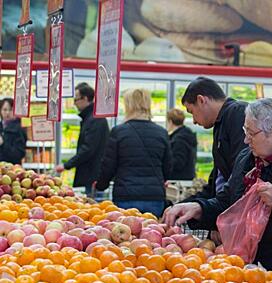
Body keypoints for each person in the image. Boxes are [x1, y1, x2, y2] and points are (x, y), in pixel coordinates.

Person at [164, 98, 272, 277]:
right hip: (243, 272)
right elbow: (228, 202)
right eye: (245, 131)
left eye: (251, 133)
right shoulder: (247, 159)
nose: (246, 140)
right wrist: (199, 208)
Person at [96, 88, 172, 218]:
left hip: (126, 195)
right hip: (154, 197)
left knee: (126, 235)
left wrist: (101, 185)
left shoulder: (118, 131)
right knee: (153, 234)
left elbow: (109, 165)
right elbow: (168, 167)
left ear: (128, 105)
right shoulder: (161, 132)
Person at [180, 76, 247, 200]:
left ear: (201, 100)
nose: (194, 121)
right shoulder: (220, 123)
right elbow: (216, 180)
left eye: (191, 112)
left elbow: (241, 171)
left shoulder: (236, 113)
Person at [55, 83, 109, 199]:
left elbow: (88, 149)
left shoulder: (95, 119)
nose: (74, 103)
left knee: (92, 208)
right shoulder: (91, 118)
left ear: (85, 98)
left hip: (92, 177)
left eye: (76, 99)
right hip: (90, 175)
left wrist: (67, 165)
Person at [166, 108, 197, 180]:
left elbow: (178, 162)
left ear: (170, 122)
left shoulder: (179, 139)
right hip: (187, 177)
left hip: (179, 179)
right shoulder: (187, 135)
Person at [0, 98, 27, 165]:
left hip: (12, 169)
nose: (7, 113)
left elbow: (18, 155)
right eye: (5, 110)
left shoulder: (19, 129)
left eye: (11, 110)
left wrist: (3, 144)